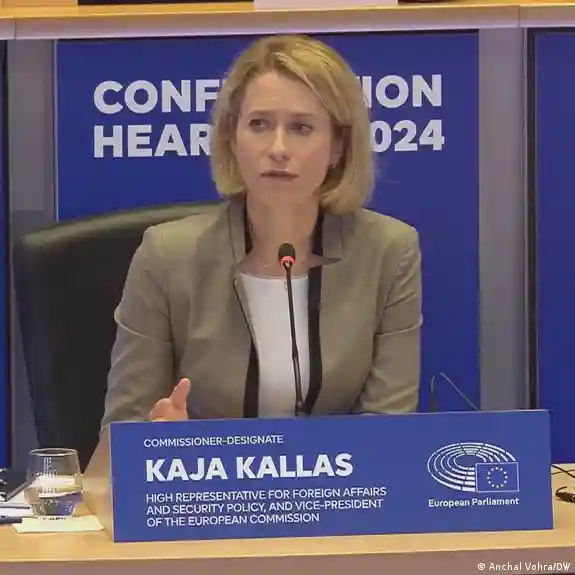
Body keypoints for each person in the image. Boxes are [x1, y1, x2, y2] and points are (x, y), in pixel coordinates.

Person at [100, 34, 423, 428]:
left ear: (338, 146)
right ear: (232, 137)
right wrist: (161, 440)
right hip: (203, 468)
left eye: (301, 127)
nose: (278, 148)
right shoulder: (167, 257)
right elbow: (123, 430)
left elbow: (388, 430)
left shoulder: (389, 252)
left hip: (346, 472)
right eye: (259, 124)